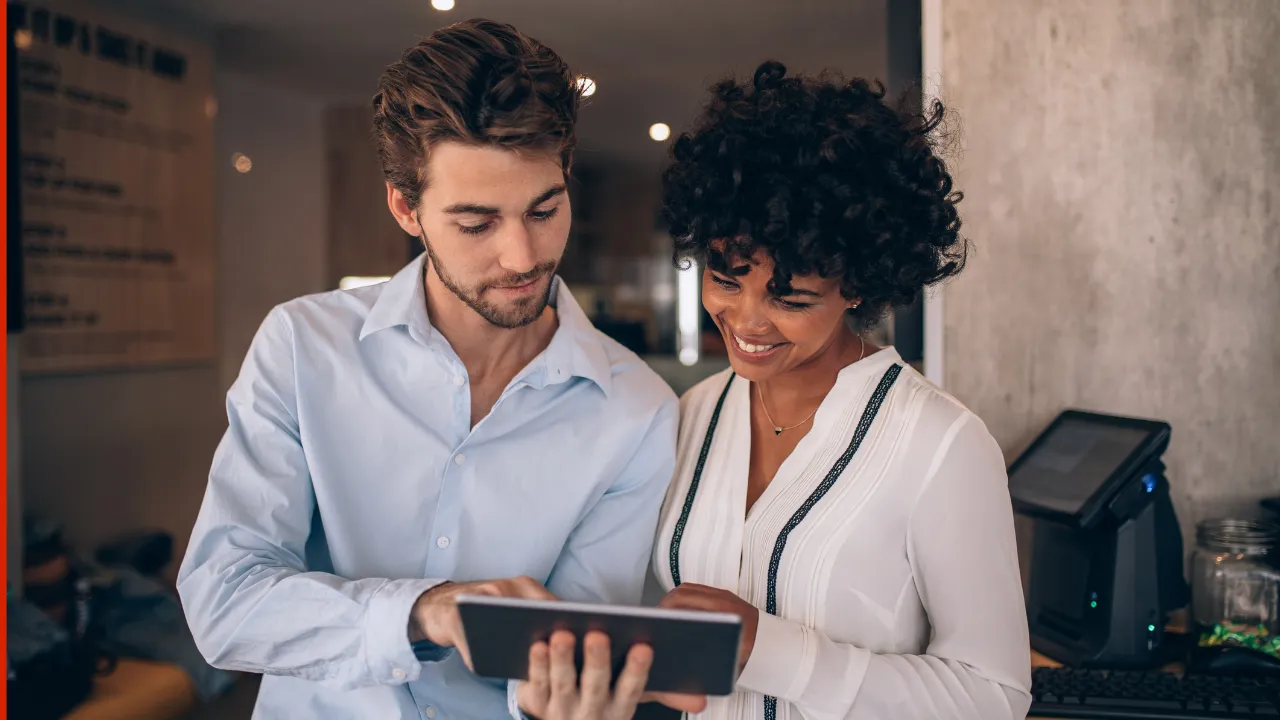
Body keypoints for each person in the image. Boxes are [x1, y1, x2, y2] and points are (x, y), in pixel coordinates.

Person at [177, 19, 687, 719]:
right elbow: (224, 602)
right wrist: (424, 611)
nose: (520, 256)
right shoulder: (303, 347)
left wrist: (567, 693)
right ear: (405, 208)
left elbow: (569, 660)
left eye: (545, 209)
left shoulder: (637, 408)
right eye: (476, 224)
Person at [645, 62, 1031, 719]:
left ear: (858, 283)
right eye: (725, 278)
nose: (745, 320)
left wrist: (766, 647)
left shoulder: (942, 445)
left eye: (789, 297)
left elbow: (994, 695)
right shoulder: (693, 414)